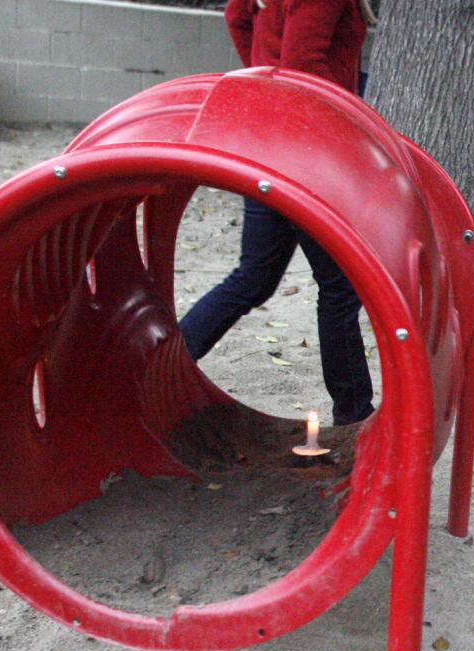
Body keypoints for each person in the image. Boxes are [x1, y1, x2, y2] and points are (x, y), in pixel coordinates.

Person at [180, 0, 378, 425]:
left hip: (273, 134)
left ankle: (160, 365)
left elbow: (236, 14)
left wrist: (263, 73)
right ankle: (355, 414)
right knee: (340, 287)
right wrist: (347, 116)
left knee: (254, 278)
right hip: (308, 142)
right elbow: (303, 61)